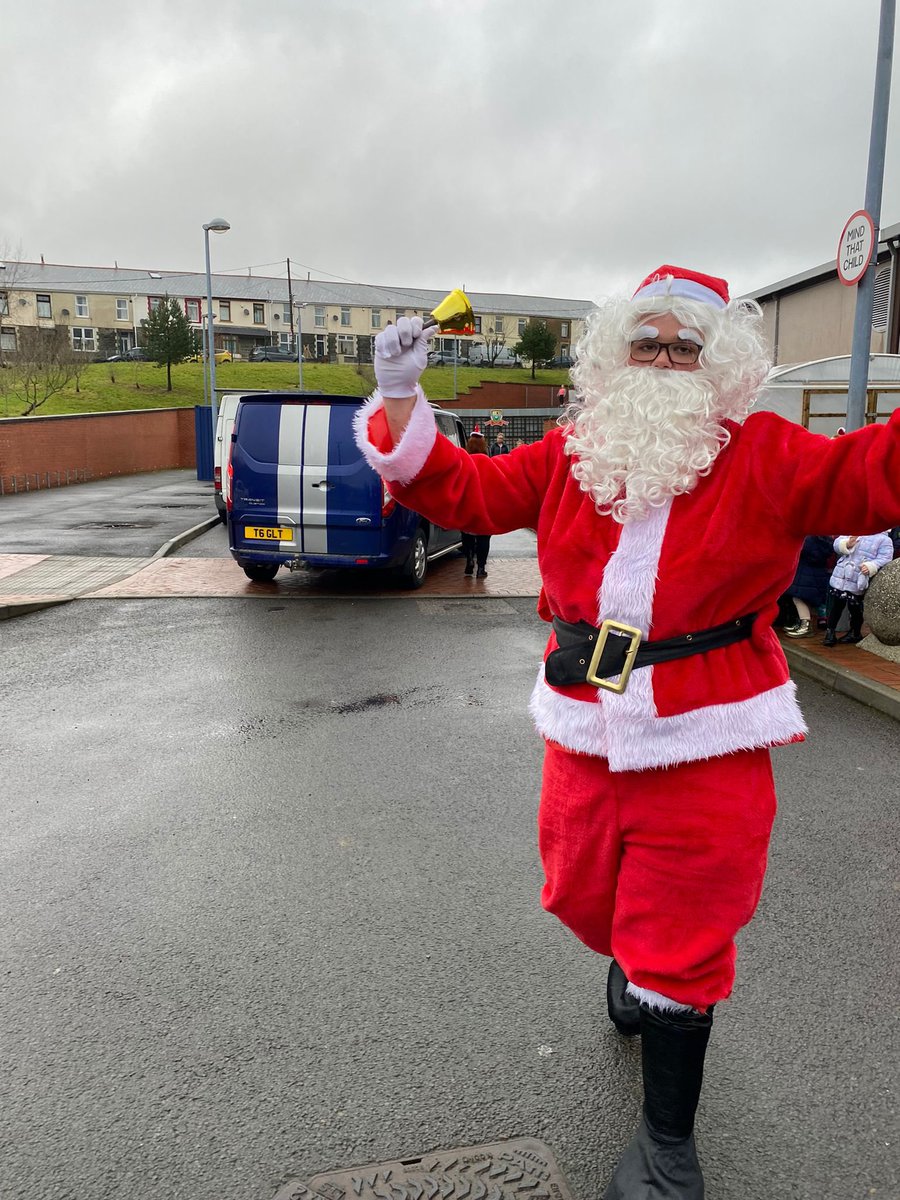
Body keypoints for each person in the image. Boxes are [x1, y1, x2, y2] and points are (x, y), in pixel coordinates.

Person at [354, 264, 900, 1200]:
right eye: (645, 342)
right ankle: (632, 958)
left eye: (683, 347)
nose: (661, 360)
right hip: (583, 726)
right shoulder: (572, 451)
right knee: (581, 892)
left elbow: (870, 475)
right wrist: (401, 398)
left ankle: (665, 1144)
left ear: (714, 366)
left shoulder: (764, 453)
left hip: (709, 736)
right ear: (615, 355)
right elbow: (467, 495)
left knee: (685, 935)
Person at [822, 531, 894, 645]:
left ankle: (855, 632)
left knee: (854, 607)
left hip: (859, 577)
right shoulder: (856, 529)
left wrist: (871, 566)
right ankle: (830, 632)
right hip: (842, 574)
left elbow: (885, 558)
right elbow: (837, 543)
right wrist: (846, 544)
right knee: (837, 605)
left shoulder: (884, 539)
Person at [783, 534, 834, 638]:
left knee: (798, 598)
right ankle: (803, 623)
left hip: (806, 574)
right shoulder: (824, 539)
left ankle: (805, 624)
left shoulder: (810, 538)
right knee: (805, 599)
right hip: (815, 573)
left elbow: (803, 550)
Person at [460, 429, 491, 578]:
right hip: (484, 504)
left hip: (467, 504)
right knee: (484, 537)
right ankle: (481, 567)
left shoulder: (464, 461)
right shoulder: (488, 462)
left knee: (467, 536)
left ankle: (469, 560)